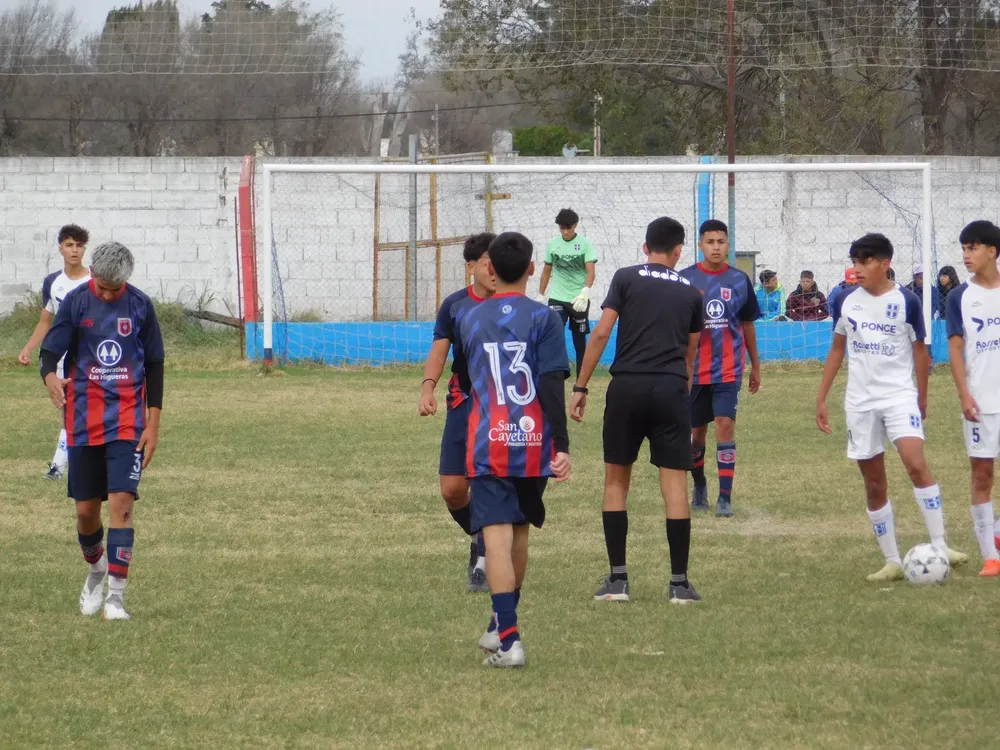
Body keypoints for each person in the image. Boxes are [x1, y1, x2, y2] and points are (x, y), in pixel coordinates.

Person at [816, 233, 967, 582]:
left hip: (899, 396)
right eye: (855, 261)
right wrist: (822, 397)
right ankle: (893, 560)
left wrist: (922, 397)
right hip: (860, 402)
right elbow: (838, 349)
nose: (857, 269)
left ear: (884, 264)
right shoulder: (845, 301)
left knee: (916, 464)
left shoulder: (907, 301)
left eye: (865, 261)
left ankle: (940, 544)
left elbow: (920, 351)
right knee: (874, 483)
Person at [571, 216, 705, 604]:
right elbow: (690, 356)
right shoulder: (692, 293)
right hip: (670, 388)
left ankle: (618, 581)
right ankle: (679, 584)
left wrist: (581, 386)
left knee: (616, 481)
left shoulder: (626, 278)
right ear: (679, 250)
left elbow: (600, 332)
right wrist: (681, 392)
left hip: (627, 386)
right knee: (675, 485)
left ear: (646, 247)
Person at [458, 231, 571, 668]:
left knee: (497, 540)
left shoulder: (469, 318)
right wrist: (560, 444)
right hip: (533, 443)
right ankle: (499, 627)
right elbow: (550, 383)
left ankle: (509, 641)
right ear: (530, 269)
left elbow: (469, 380)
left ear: (489, 269)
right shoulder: (546, 320)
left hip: (490, 443)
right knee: (519, 534)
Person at [40, 241, 165, 621]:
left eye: (116, 288)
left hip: (128, 419)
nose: (109, 293)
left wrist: (153, 425)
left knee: (122, 506)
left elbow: (156, 364)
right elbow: (51, 349)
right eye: (104, 286)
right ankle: (96, 572)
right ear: (93, 270)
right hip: (83, 420)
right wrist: (49, 376)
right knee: (85, 512)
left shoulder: (140, 305)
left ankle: (116, 598)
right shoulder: (76, 303)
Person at [419, 233, 496, 592]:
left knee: (486, 483)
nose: (493, 269)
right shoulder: (455, 305)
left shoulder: (513, 304)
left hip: (500, 408)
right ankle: (483, 537)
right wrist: (427, 387)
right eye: (486, 262)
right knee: (452, 489)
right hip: (463, 402)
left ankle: (483, 560)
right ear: (471, 266)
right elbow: (439, 348)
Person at [679, 220, 761, 517]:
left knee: (725, 424)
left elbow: (748, 323)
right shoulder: (685, 279)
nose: (716, 247)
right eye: (710, 241)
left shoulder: (739, 280)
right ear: (700, 245)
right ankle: (699, 485)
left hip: (728, 369)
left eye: (721, 241)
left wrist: (755, 365)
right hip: (694, 371)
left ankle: (725, 497)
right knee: (696, 433)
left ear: (728, 245)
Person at [945, 220, 1000, 577]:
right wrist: (964, 393)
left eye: (973, 247)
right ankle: (990, 557)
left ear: (992, 252)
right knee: (981, 475)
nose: (966, 255)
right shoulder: (958, 297)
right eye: (964, 248)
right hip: (981, 401)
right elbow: (955, 346)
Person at [19, 224, 91, 480]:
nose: (74, 250)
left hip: (94, 357)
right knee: (68, 408)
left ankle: (61, 466)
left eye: (79, 245)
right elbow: (45, 321)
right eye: (69, 245)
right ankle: (60, 466)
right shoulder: (53, 282)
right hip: (63, 357)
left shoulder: (95, 278)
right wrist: (29, 346)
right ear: (60, 248)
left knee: (89, 407)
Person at [537, 208, 598, 378]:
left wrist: (585, 291)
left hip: (578, 299)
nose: (565, 232)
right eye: (561, 228)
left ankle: (581, 378)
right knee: (553, 333)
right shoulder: (553, 244)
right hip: (557, 297)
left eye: (568, 228)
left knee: (579, 341)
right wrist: (540, 295)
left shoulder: (585, 244)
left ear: (575, 226)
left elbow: (591, 271)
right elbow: (547, 270)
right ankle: (556, 373)